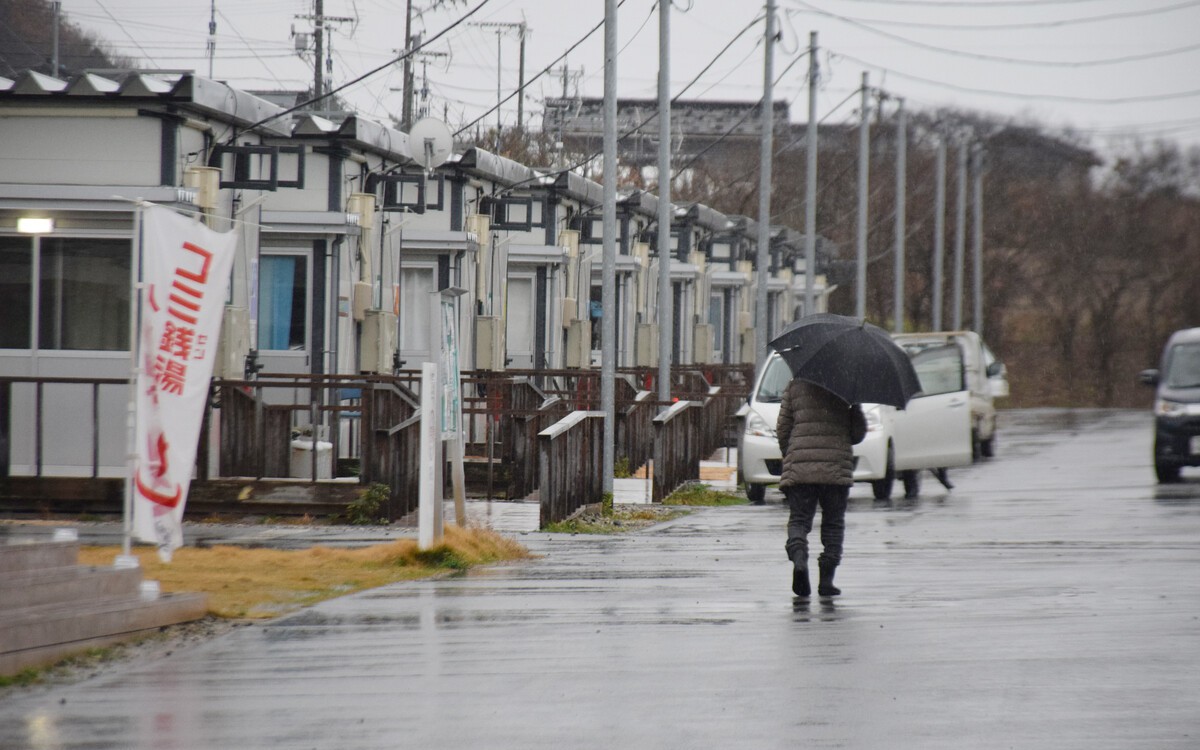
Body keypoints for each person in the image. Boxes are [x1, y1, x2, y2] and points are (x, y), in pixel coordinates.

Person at [776, 377, 867, 598]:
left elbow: (783, 428)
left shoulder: (795, 385)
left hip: (801, 467)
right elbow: (857, 434)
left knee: (799, 520)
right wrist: (854, 407)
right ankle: (826, 580)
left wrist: (790, 455)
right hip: (835, 468)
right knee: (833, 525)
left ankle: (799, 559)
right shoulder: (847, 388)